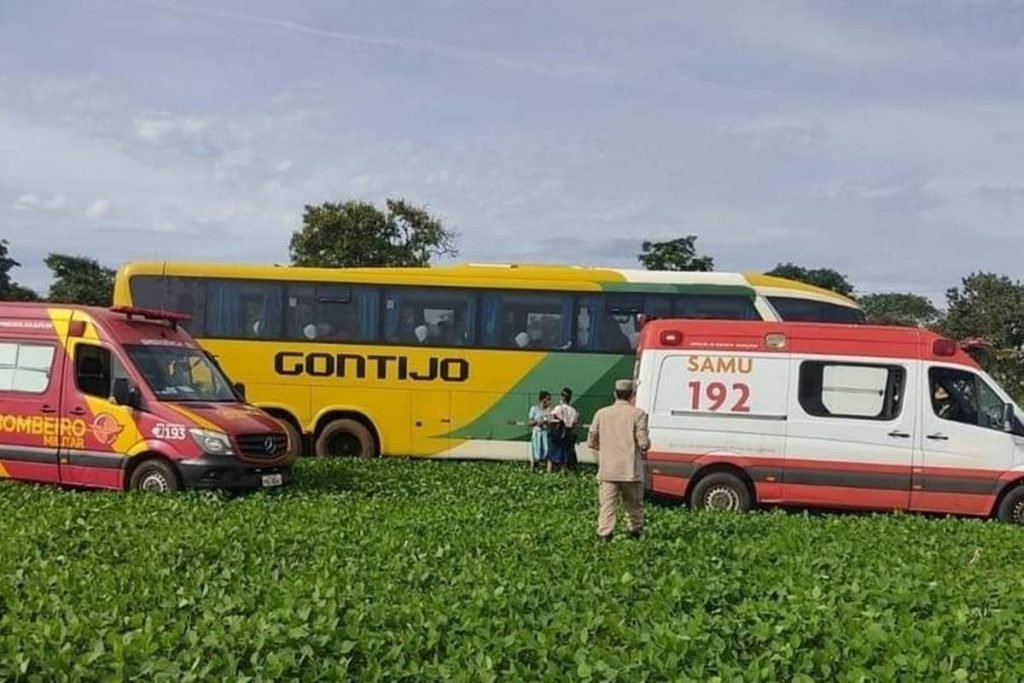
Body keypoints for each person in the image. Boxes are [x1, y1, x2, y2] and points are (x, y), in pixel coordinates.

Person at [587, 379, 650, 541]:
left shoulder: (602, 413)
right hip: (630, 470)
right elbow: (643, 443)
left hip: (608, 469)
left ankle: (604, 535)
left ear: (615, 394)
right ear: (632, 395)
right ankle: (634, 533)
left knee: (607, 506)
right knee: (634, 505)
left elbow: (591, 440)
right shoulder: (638, 414)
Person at [547, 387, 579, 474]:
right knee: (564, 458)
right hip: (568, 434)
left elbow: (551, 419)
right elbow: (574, 424)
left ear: (562, 397)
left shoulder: (558, 408)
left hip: (557, 434)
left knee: (551, 456)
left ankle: (549, 473)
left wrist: (549, 411)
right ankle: (563, 473)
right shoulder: (573, 410)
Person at [527, 391, 552, 472]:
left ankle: (548, 471)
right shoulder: (534, 409)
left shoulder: (550, 410)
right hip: (537, 434)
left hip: (546, 433)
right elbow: (529, 422)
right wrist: (537, 422)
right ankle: (532, 469)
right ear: (543, 400)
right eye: (548, 399)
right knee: (534, 451)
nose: (549, 401)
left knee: (547, 451)